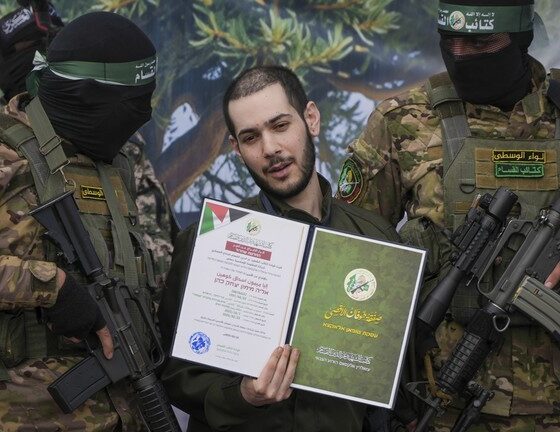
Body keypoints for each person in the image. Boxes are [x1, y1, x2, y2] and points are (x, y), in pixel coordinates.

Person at [337, 0, 560, 430]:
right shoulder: (404, 119)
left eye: (481, 42)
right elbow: (351, 257)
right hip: (445, 402)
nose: (461, 54)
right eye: (449, 40)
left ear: (521, 37)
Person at [158, 65, 401, 432]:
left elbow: (394, 377)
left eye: (280, 125)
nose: (270, 148)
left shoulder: (377, 240)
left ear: (311, 119)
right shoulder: (209, 241)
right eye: (251, 137)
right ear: (237, 150)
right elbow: (174, 374)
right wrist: (242, 395)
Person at [0, 11, 167, 431]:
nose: (141, 114)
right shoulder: (8, 155)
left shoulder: (117, 168)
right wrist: (52, 288)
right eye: (133, 101)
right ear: (89, 95)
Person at [0, 2, 175, 302]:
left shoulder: (117, 154)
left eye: (53, 41)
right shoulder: (8, 149)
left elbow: (153, 257)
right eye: (26, 47)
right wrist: (54, 290)